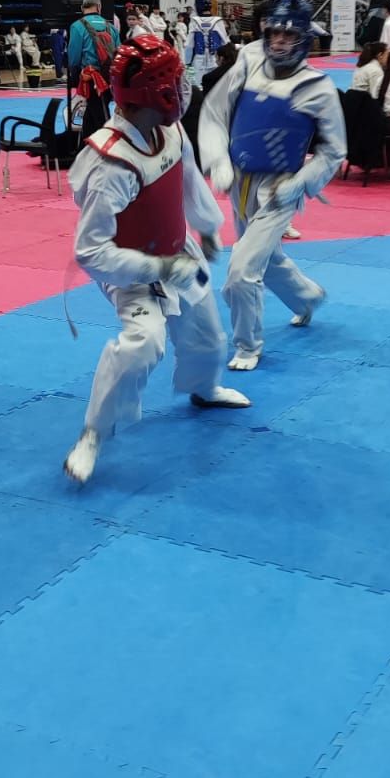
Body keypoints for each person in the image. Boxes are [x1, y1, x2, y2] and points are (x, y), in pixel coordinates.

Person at [62, 33, 250, 486]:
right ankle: (92, 433)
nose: (184, 91)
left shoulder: (169, 129)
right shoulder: (112, 165)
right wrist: (156, 269)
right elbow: (91, 252)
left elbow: (187, 180)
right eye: (176, 82)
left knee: (207, 333)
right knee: (145, 342)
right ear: (158, 93)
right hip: (130, 270)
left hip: (176, 252)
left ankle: (204, 390)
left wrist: (206, 227)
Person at [199, 0, 346, 373]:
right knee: (268, 256)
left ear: (303, 38)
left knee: (241, 271)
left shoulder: (318, 88)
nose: (279, 41)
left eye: (288, 34)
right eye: (274, 32)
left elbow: (334, 151)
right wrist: (217, 160)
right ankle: (306, 297)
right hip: (239, 180)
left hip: (278, 192)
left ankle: (247, 345)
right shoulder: (248, 60)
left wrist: (300, 185)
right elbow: (215, 112)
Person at [67, 0, 120, 88]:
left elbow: (74, 58)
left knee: (92, 103)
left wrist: (75, 78)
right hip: (110, 78)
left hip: (89, 77)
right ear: (99, 6)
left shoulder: (76, 26)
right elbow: (119, 56)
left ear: (82, 8)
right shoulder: (112, 27)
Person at [182, 0, 228, 94]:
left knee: (196, 88)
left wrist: (187, 63)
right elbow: (226, 42)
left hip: (199, 60)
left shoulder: (194, 21)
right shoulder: (218, 21)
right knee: (215, 88)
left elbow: (189, 45)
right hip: (215, 60)